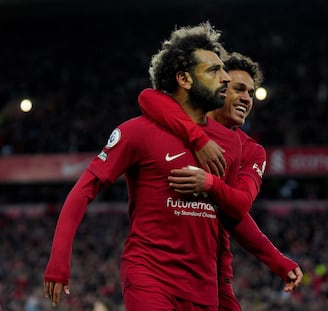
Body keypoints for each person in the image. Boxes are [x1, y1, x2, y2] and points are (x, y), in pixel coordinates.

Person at [44, 22, 247, 311]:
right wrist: (59, 260)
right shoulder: (138, 132)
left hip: (204, 288)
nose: (225, 77)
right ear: (184, 79)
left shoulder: (231, 144)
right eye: (213, 70)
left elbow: (233, 219)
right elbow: (84, 189)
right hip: (150, 276)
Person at [137, 52, 303, 310]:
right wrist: (198, 139)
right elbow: (148, 97)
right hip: (161, 269)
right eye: (238, 89)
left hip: (213, 275)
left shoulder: (251, 151)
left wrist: (209, 184)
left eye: (251, 92)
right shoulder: (179, 126)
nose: (247, 99)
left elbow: (238, 208)